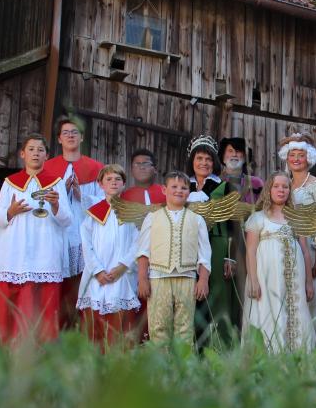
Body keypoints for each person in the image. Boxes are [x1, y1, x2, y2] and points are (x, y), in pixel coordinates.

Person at [0, 133, 71, 344]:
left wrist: (55, 205)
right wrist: (10, 211)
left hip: (45, 253)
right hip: (14, 255)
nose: (36, 153)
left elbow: (67, 220)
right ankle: (5, 349)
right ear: (23, 154)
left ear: (47, 156)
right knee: (10, 304)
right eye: (32, 149)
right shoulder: (10, 183)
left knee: (42, 304)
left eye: (40, 150)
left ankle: (41, 351)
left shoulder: (56, 183)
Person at [135, 171, 211, 344]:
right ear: (164, 190)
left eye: (184, 187)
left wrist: (203, 280)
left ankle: (183, 368)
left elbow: (205, 253)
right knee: (158, 326)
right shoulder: (152, 218)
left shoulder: (197, 219)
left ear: (189, 192)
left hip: (187, 278)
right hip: (158, 279)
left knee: (185, 327)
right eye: (174, 187)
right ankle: (161, 367)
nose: (179, 190)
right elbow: (143, 251)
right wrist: (142, 278)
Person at [242, 172, 315, 351]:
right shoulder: (258, 218)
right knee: (268, 309)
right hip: (267, 276)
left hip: (294, 277)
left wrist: (309, 282)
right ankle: (267, 354)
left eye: (285, 186)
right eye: (276, 186)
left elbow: (305, 251)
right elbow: (250, 251)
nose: (281, 190)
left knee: (295, 309)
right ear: (269, 190)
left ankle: (297, 353)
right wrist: (253, 280)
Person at [44, 117, 104, 329]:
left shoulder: (96, 168)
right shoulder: (48, 169)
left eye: (74, 132)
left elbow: (106, 204)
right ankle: (55, 329)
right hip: (56, 235)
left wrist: (81, 195)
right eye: (66, 132)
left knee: (81, 285)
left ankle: (81, 330)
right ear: (59, 139)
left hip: (83, 235)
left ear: (82, 137)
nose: (70, 135)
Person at [77, 164, 142, 348]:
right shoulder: (91, 215)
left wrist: (122, 267)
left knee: (121, 325)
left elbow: (138, 242)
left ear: (123, 184)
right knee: (96, 325)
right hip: (98, 277)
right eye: (109, 179)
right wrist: (97, 271)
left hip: (122, 275)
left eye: (118, 179)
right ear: (100, 184)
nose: (113, 182)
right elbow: (87, 246)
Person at [185, 135, 236, 344]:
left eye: (208, 159)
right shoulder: (181, 186)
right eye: (199, 158)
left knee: (218, 299)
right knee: (191, 297)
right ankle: (197, 349)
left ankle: (226, 349)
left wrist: (230, 257)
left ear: (214, 162)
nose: (204, 163)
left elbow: (234, 225)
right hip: (187, 248)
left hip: (217, 245)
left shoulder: (224, 188)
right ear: (192, 161)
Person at [279, 132, 316, 336]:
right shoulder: (283, 185)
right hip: (286, 246)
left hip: (310, 245)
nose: (296, 159)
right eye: (292, 155)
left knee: (311, 296)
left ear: (309, 157)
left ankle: (314, 342)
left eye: (300, 155)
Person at [218, 136, 264, 331]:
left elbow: (263, 211)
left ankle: (245, 333)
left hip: (250, 241)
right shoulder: (216, 183)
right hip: (223, 242)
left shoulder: (256, 183)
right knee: (223, 291)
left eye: (239, 151)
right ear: (222, 156)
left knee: (248, 289)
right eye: (230, 151)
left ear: (246, 157)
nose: (234, 155)